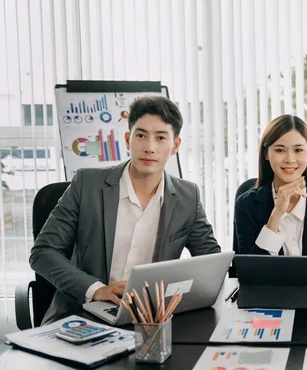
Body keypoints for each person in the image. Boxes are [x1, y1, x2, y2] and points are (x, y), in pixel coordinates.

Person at [30, 96, 221, 324]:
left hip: (152, 319)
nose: (149, 147)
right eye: (141, 135)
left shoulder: (187, 197)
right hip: (83, 312)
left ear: (175, 146)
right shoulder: (87, 184)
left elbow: (211, 263)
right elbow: (43, 252)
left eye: (161, 138)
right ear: (128, 140)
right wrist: (97, 290)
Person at [234, 114, 307, 281]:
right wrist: (277, 213)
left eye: (298, 150)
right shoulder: (246, 203)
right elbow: (249, 271)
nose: (289, 159)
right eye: (280, 150)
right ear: (266, 153)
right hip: (266, 297)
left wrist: (281, 277)